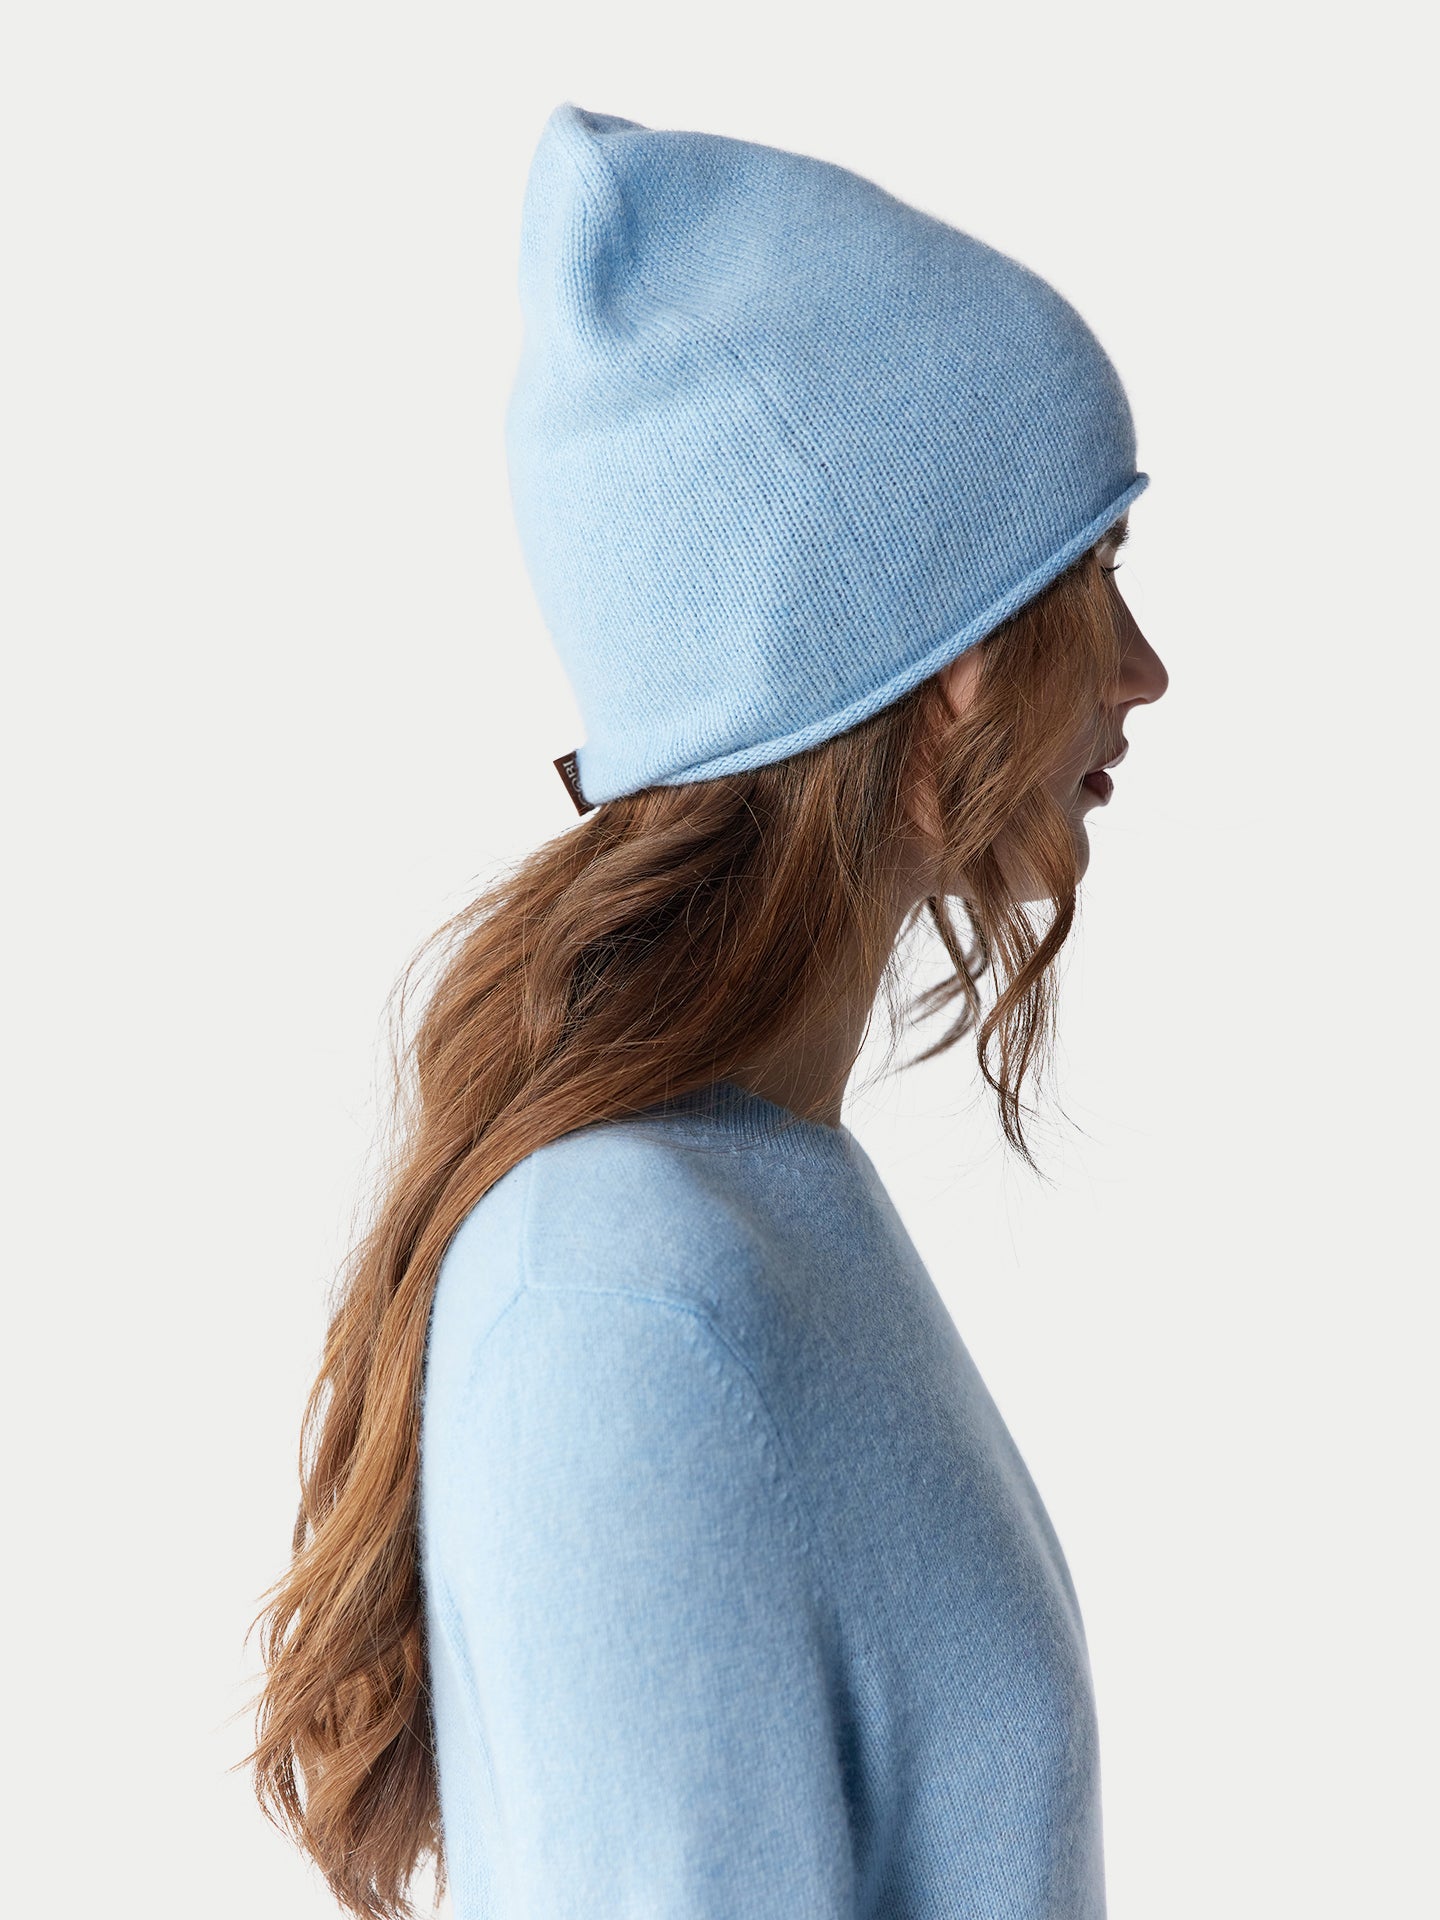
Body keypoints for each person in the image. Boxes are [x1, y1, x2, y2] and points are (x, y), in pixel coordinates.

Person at [248, 102, 1169, 1920]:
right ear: (949, 659)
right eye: (1094, 578)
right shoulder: (622, 1290)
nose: (1145, 670)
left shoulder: (758, 1214)